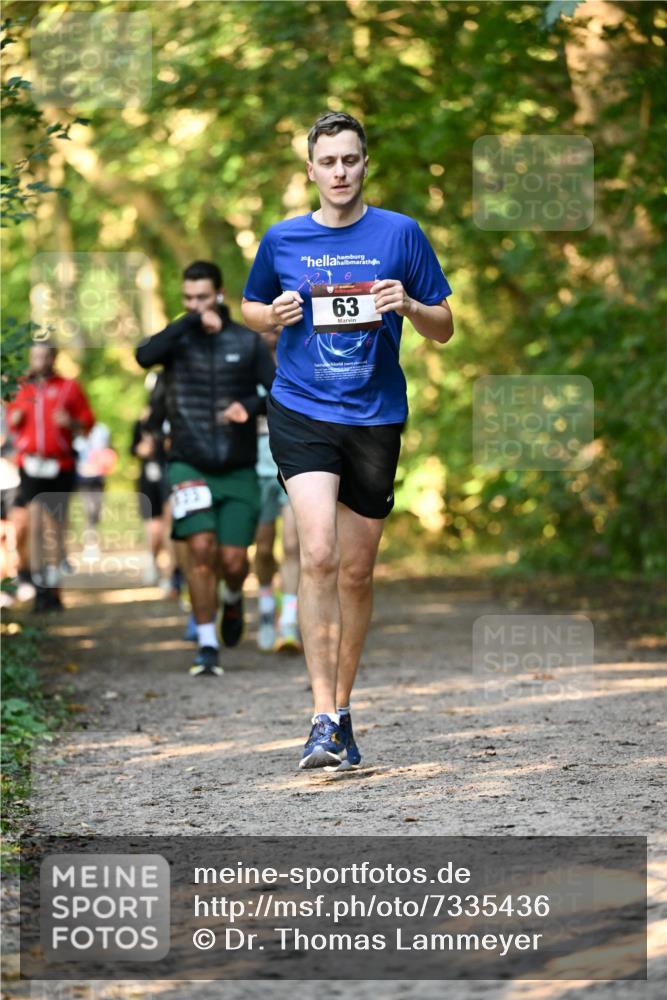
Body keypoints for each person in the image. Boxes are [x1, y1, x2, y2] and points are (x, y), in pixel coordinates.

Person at [242, 111, 454, 770]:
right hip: (301, 408)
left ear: (365, 164)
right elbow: (250, 306)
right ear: (310, 170)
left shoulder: (400, 233)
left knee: (357, 573)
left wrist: (409, 306)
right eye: (328, 161)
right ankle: (320, 719)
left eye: (350, 160)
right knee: (318, 554)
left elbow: (444, 325)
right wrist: (269, 316)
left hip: (374, 415)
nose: (340, 172)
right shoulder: (283, 239)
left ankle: (341, 708)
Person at [136, 260, 275, 677]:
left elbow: (280, 391)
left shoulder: (246, 341)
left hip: (238, 467)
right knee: (199, 549)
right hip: (188, 464)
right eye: (188, 298)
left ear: (219, 294)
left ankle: (232, 598)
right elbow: (143, 355)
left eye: (202, 297)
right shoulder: (176, 340)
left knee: (233, 561)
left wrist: (248, 406)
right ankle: (207, 644)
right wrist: (188, 322)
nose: (195, 304)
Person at [6, 343, 95, 611]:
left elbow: (88, 423)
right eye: (35, 356)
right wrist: (14, 419)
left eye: (45, 356)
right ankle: (39, 587)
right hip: (31, 464)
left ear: (54, 358)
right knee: (34, 523)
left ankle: (54, 586)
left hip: (61, 464)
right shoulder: (22, 389)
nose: (40, 361)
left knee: (55, 527)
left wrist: (71, 423)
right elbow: (10, 422)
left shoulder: (69, 387)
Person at [253, 330, 301, 653]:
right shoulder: (246, 362)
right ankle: (266, 609)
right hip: (258, 469)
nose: (273, 328)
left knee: (293, 545)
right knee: (263, 548)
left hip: (295, 463)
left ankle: (290, 622)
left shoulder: (300, 357)